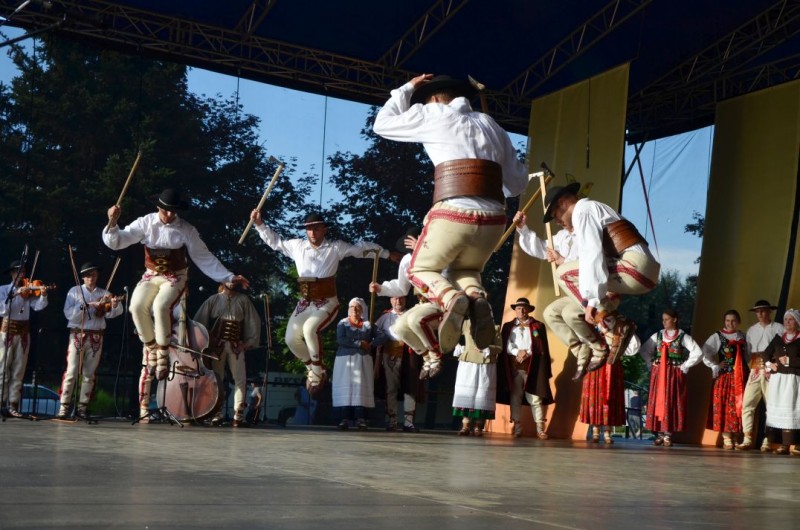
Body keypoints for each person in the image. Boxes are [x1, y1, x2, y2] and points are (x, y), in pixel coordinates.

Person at [373, 73, 530, 356]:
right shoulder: (491, 124)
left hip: (455, 214)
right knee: (466, 271)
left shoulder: (433, 113)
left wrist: (407, 88)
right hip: (494, 220)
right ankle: (476, 297)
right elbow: (516, 185)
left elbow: (382, 124)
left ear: (434, 98)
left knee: (418, 270)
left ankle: (451, 298)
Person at [103, 188, 249, 419]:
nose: (169, 215)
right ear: (158, 207)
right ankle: (152, 347)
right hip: (152, 275)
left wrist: (228, 277)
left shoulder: (186, 230)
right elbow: (117, 241)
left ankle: (162, 353)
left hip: (176, 277)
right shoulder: (145, 223)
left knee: (161, 306)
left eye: (173, 212)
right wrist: (112, 223)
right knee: (135, 306)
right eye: (165, 211)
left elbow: (204, 257)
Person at [250, 210, 398, 397]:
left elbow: (361, 249)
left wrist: (387, 254)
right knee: (290, 339)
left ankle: (317, 373)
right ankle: (315, 369)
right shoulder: (297, 246)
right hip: (305, 303)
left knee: (309, 329)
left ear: (324, 229)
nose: (312, 232)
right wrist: (259, 224)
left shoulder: (335, 248)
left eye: (316, 228)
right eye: (309, 229)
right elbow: (276, 242)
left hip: (327, 302)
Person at [541, 182, 660, 375]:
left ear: (562, 203)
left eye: (554, 214)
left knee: (562, 273)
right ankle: (602, 340)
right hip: (642, 270)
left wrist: (592, 300)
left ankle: (614, 326)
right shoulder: (591, 210)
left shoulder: (584, 210)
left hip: (635, 266)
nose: (556, 221)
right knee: (567, 310)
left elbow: (592, 255)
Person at [513, 210, 590, 381]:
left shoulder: (587, 233)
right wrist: (523, 228)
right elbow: (541, 247)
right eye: (555, 218)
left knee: (569, 313)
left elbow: (591, 264)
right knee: (550, 313)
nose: (557, 221)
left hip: (590, 293)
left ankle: (593, 343)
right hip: (573, 294)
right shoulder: (562, 237)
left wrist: (562, 260)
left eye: (558, 216)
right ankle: (579, 349)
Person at [57, 262, 123, 419]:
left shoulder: (104, 293)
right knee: (72, 371)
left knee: (89, 374)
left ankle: (82, 408)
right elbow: (68, 314)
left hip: (96, 336)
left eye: (93, 274)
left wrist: (114, 305)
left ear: (97, 276)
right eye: (87, 275)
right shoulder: (74, 291)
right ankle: (64, 407)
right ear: (83, 277)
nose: (91, 278)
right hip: (77, 334)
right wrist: (85, 305)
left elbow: (114, 313)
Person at [194, 282, 261, 427]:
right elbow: (199, 321)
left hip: (236, 346)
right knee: (217, 379)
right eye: (229, 280)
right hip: (217, 347)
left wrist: (247, 343)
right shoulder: (213, 299)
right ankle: (216, 414)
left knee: (240, 379)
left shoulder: (243, 300)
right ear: (223, 282)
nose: (231, 283)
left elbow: (253, 322)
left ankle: (238, 415)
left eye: (234, 280)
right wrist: (206, 343)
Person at [638, 309, 708, 447]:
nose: (664, 322)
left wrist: (685, 365)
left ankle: (668, 434)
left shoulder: (682, 336)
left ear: (675, 319)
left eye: (667, 319)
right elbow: (644, 350)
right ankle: (659, 434)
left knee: (670, 400)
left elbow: (698, 353)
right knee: (658, 400)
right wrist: (650, 362)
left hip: (673, 374)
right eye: (663, 319)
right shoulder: (658, 335)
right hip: (659, 373)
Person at [498, 297, 553, 439]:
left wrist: (526, 352)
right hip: (514, 366)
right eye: (518, 308)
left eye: (524, 308)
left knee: (535, 397)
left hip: (532, 366)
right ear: (515, 310)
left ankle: (540, 429)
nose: (521, 311)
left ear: (528, 310)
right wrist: (517, 352)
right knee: (515, 396)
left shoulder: (538, 326)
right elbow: (506, 344)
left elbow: (539, 345)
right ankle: (517, 427)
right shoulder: (508, 326)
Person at [0, 260, 48, 418]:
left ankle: (13, 405)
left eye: (23, 272)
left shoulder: (29, 290)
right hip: (7, 331)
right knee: (2, 369)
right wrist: (15, 294)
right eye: (18, 271)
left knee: (19, 370)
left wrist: (43, 295)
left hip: (23, 332)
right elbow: (2, 310)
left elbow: (39, 306)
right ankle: (1, 403)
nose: (21, 274)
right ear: (12, 273)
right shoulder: (3, 290)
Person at [332, 298, 386, 430]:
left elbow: (383, 336)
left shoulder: (368, 325)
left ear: (362, 310)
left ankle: (361, 419)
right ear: (348, 310)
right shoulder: (343, 323)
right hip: (345, 361)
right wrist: (359, 344)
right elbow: (341, 339)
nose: (354, 310)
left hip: (363, 361)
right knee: (346, 387)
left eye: (357, 307)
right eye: (352, 307)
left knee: (360, 388)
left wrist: (371, 344)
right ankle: (344, 419)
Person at [737, 300, 784, 451]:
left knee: (771, 406)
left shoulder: (778, 328)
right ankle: (747, 438)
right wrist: (751, 366)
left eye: (763, 311)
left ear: (770, 311)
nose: (760, 314)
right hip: (755, 369)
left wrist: (775, 366)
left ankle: (768, 440)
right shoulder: (752, 330)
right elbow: (748, 353)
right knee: (747, 404)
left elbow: (783, 349)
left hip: (772, 370)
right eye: (758, 311)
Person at [374, 295, 424, 432]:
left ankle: (408, 423)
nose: (398, 301)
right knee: (391, 388)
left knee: (410, 387)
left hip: (409, 354)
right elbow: (376, 335)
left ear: (405, 299)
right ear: (391, 300)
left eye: (401, 298)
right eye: (395, 298)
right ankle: (392, 421)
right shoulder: (384, 317)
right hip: (390, 355)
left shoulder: (412, 315)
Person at [703, 310, 748, 450]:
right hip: (725, 377)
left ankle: (736, 436)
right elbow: (705, 352)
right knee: (724, 406)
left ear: (738, 322)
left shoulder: (744, 336)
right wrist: (715, 365)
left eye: (733, 320)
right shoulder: (718, 336)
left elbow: (748, 355)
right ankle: (727, 437)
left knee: (738, 406)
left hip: (740, 377)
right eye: (727, 320)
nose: (730, 323)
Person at [761, 309, 800, 455]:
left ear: (797, 322)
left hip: (794, 380)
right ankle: (783, 445)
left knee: (792, 411)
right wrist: (769, 364)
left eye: (791, 319)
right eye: (786, 319)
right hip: (778, 380)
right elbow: (766, 353)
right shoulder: (778, 338)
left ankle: (797, 445)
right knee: (779, 411)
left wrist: (790, 361)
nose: (787, 322)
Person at [452, 321, 501, 436]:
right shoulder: (465, 324)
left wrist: (487, 348)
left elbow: (499, 347)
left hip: (485, 364)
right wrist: (458, 346)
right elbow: (450, 333)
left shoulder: (494, 327)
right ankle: (465, 425)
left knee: (482, 394)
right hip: (468, 363)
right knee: (467, 393)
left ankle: (478, 426)